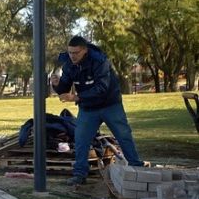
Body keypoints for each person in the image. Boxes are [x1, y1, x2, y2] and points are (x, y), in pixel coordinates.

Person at [51, 36, 144, 185]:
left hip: (110, 104)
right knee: (81, 139)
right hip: (88, 108)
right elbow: (64, 88)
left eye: (76, 52)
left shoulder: (100, 61)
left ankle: (137, 168)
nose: (73, 56)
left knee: (123, 134)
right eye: (70, 52)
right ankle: (80, 174)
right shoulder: (68, 65)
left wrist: (76, 98)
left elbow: (102, 88)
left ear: (85, 50)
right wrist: (57, 85)